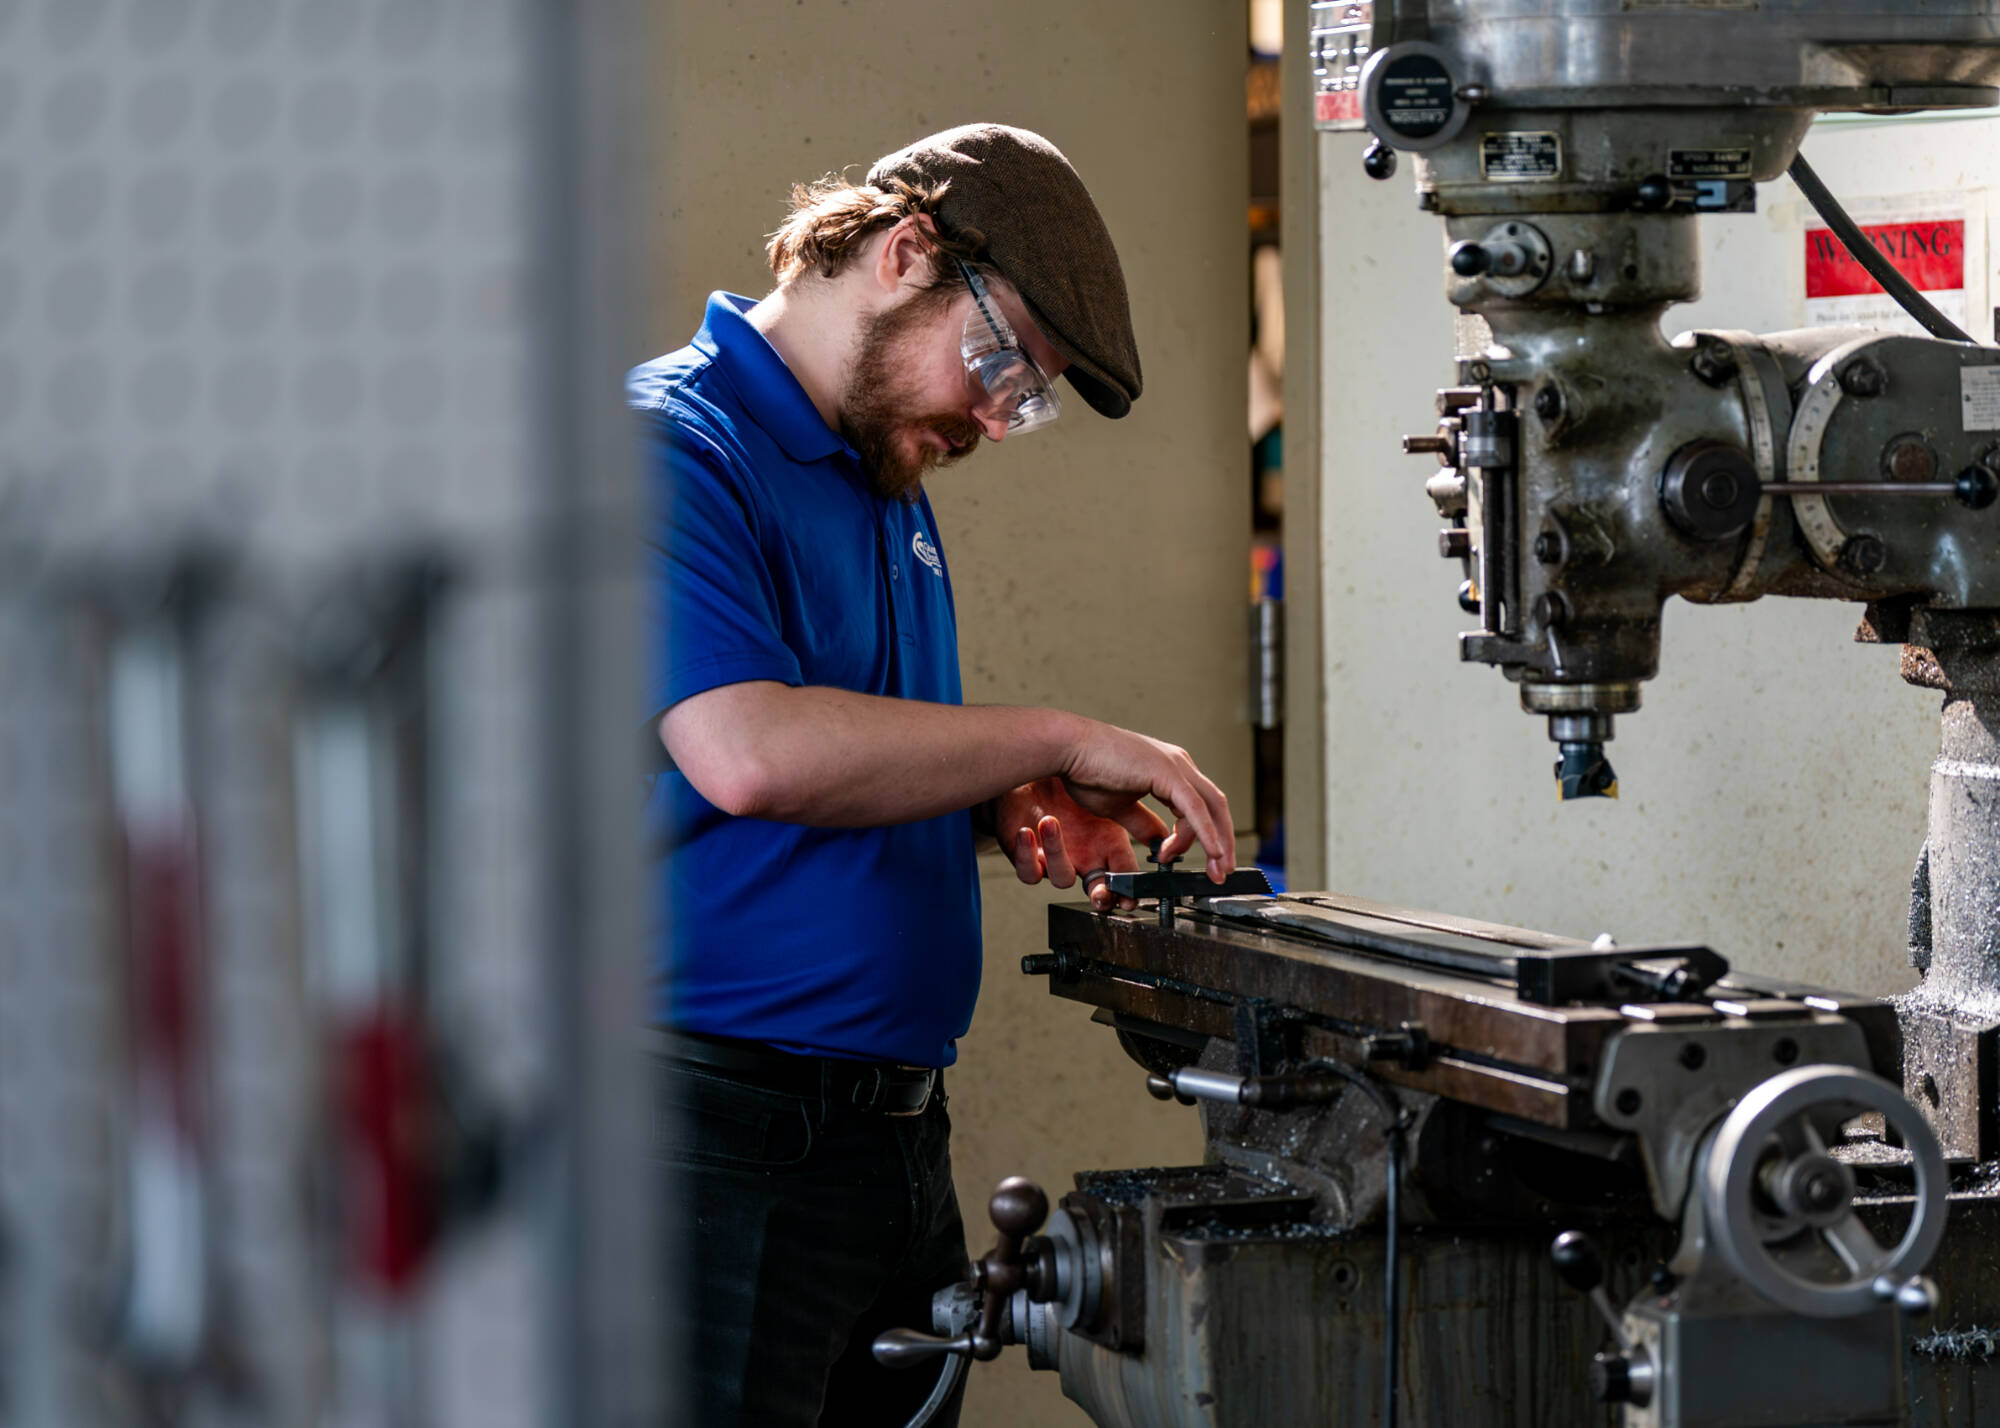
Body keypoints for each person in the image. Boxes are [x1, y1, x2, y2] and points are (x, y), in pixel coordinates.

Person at [632, 123, 1236, 1427]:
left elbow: (850, 760)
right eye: (1003, 365)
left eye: (1026, 398)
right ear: (906, 254)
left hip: (892, 1139)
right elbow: (747, 754)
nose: (996, 419)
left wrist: (1001, 800)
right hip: (705, 1141)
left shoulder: (882, 468)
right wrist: (1050, 737)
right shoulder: (676, 451)